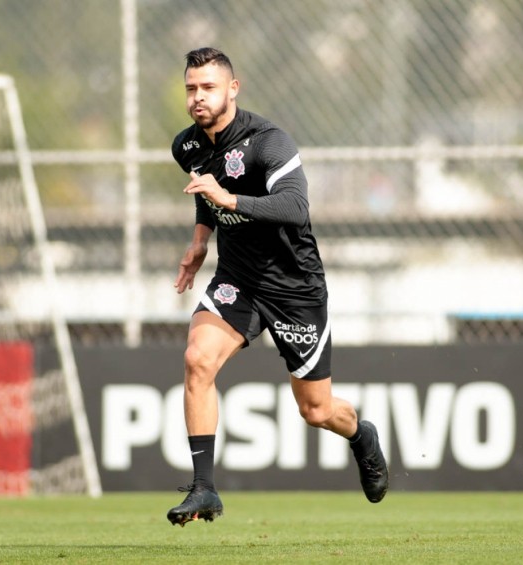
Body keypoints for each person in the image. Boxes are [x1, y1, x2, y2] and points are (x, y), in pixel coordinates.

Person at [167, 47, 389, 527]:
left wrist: (230, 198)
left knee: (316, 409)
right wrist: (200, 242)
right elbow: (205, 192)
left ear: (233, 88)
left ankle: (362, 436)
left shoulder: (270, 142)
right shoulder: (186, 145)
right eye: (191, 88)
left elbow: (294, 207)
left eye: (208, 87)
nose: (198, 97)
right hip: (239, 279)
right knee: (197, 359)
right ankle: (204, 488)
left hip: (294, 288)